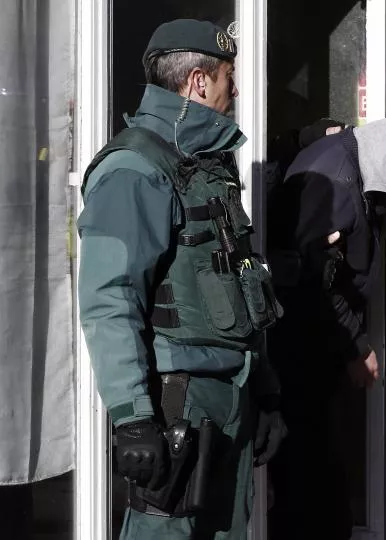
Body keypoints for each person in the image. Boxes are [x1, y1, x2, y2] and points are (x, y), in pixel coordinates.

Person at [78, 19, 286, 539]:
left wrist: (265, 393)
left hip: (229, 398)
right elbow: (109, 299)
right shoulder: (135, 168)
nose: (235, 91)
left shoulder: (207, 165)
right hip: (177, 408)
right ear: (198, 82)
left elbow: (241, 282)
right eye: (229, 77)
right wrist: (132, 419)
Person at [266, 113, 386, 539]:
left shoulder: (351, 163)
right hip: (299, 354)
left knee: (316, 477)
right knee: (312, 487)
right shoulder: (336, 186)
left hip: (310, 349)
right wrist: (356, 346)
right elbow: (312, 283)